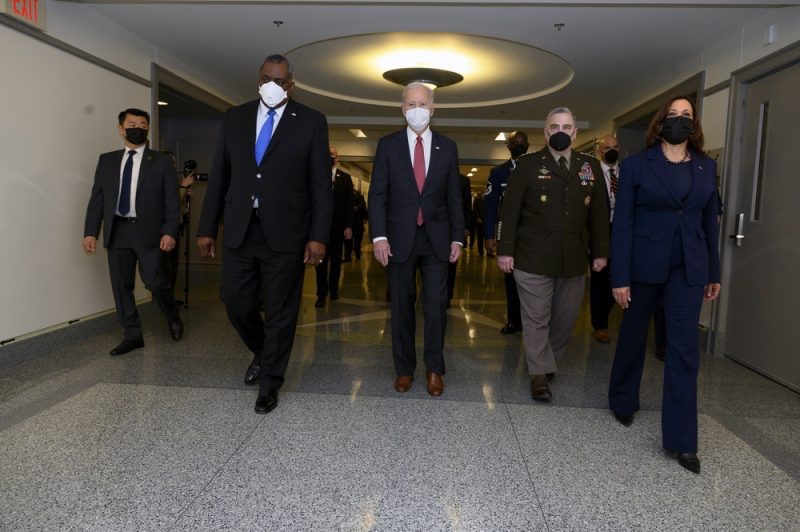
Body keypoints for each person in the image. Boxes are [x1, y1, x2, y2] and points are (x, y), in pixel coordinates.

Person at [196, 54, 332, 415]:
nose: (273, 85)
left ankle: (270, 381)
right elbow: (220, 175)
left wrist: (318, 236)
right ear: (258, 80)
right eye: (266, 79)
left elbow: (320, 184)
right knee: (234, 301)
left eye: (280, 80)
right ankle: (261, 350)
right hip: (240, 228)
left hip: (287, 232)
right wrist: (207, 227)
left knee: (281, 311)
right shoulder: (235, 117)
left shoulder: (311, 121)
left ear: (291, 85)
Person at [608, 96, 721, 474]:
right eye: (673, 115)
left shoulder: (706, 166)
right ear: (660, 123)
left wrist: (714, 272)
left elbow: (709, 223)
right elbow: (622, 224)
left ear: (694, 124)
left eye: (686, 115)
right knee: (633, 335)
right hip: (643, 266)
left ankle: (682, 440)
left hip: (688, 269)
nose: (679, 120)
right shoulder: (637, 165)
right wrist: (620, 277)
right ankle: (623, 400)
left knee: (684, 350)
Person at [497, 108, 609, 401]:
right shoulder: (528, 165)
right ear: (546, 133)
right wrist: (505, 250)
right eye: (555, 127)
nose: (561, 131)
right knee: (536, 317)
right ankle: (538, 373)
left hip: (573, 258)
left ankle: (547, 363)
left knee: (565, 320)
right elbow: (509, 212)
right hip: (532, 256)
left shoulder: (590, 166)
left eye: (567, 127)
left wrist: (600, 252)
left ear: (575, 132)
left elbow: (599, 214)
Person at [369, 82, 465, 397]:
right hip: (398, 238)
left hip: (437, 239)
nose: (416, 110)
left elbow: (454, 196)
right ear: (402, 109)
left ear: (433, 109)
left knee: (436, 305)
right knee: (401, 306)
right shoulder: (388, 145)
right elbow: (377, 194)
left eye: (422, 104)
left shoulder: (447, 147)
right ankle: (404, 369)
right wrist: (379, 236)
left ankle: (435, 369)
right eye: (410, 104)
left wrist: (458, 237)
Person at [83, 108, 183, 356]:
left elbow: (172, 200)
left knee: (155, 282)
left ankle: (172, 314)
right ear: (121, 128)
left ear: (147, 129)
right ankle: (132, 334)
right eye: (132, 124)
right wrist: (91, 232)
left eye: (142, 125)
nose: (137, 128)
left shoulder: (161, 161)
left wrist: (169, 231)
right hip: (118, 231)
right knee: (121, 286)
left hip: (149, 232)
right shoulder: (107, 160)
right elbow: (97, 199)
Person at [485, 131, 529, 334]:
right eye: (515, 142)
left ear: (527, 145)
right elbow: (490, 206)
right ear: (508, 146)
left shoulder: (537, 168)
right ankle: (514, 321)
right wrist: (489, 235)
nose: (519, 145)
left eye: (522, 142)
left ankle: (532, 321)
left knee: (534, 280)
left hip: (534, 235)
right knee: (510, 279)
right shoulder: (498, 173)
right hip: (509, 234)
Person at [590, 135, 621, 343]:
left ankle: (607, 315)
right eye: (607, 148)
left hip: (621, 231)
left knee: (616, 276)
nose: (612, 151)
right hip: (599, 232)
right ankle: (600, 325)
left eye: (615, 147)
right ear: (600, 151)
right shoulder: (591, 173)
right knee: (600, 279)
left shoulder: (627, 172)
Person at [315, 147, 354, 307]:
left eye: (332, 155)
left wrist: (349, 226)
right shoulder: (318, 177)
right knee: (321, 262)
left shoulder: (345, 178)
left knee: (336, 261)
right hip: (321, 229)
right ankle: (321, 295)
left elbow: (349, 204)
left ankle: (334, 290)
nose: (329, 157)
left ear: (337, 158)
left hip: (338, 228)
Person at [446, 173, 473, 306]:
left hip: (452, 230)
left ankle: (446, 297)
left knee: (450, 265)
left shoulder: (462, 180)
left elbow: (467, 206)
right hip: (430, 229)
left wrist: (466, 227)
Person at [351, 191, 368, 260]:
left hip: (353, 223)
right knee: (358, 240)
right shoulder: (362, 202)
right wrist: (365, 218)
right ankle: (357, 254)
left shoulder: (353, 201)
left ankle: (351, 254)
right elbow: (365, 211)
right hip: (359, 223)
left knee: (353, 240)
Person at [472, 190, 485, 256]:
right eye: (484, 193)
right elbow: (475, 210)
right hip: (480, 222)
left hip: (487, 222)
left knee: (488, 237)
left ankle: (489, 251)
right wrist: (477, 218)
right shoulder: (477, 201)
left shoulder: (489, 200)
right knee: (480, 238)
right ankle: (481, 251)